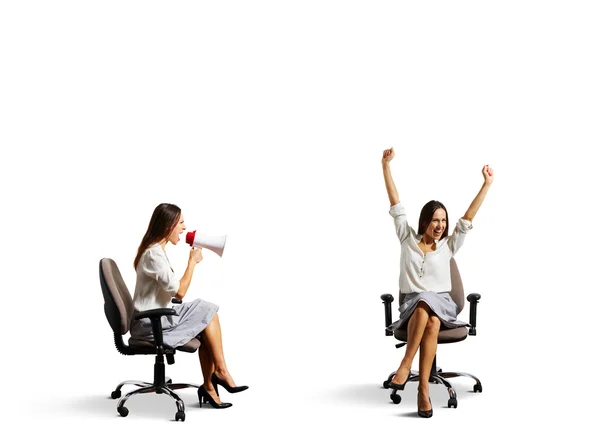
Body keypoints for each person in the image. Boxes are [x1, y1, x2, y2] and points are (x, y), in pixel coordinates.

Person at [381, 147, 493, 418]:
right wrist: (385, 166)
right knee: (423, 309)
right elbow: (396, 204)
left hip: (442, 304)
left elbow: (467, 218)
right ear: (425, 221)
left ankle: (406, 365)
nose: (440, 225)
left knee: (428, 302)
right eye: (435, 220)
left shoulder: (448, 246)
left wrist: (486, 184)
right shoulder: (407, 239)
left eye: (443, 220)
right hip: (412, 307)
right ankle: (423, 391)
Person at [130, 203, 248, 409]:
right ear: (168, 226)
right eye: (181, 223)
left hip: (158, 316)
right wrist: (192, 262)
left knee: (208, 311)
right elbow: (180, 292)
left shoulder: (156, 251)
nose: (184, 228)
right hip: (150, 323)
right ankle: (218, 375)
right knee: (207, 311)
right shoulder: (153, 255)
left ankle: (212, 383)